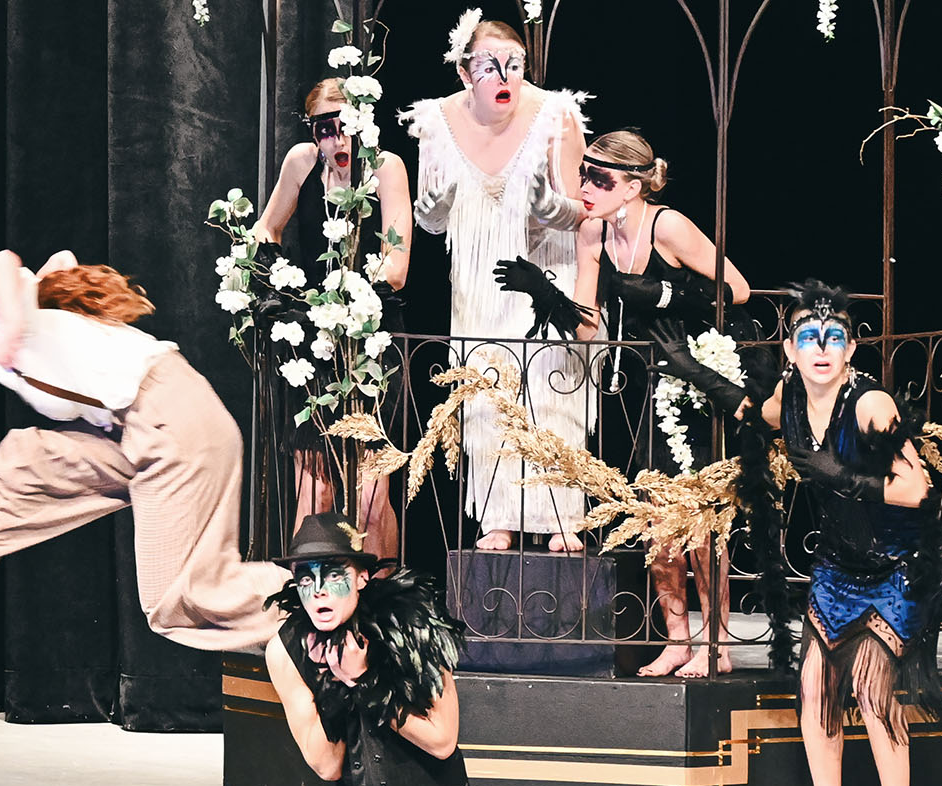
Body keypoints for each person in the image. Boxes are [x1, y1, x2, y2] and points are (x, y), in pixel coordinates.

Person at [0, 251, 289, 649]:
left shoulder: (9, 327)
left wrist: (11, 326)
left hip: (174, 422)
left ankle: (326, 596)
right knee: (16, 465)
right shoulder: (14, 357)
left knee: (184, 597)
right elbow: (61, 261)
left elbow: (4, 262)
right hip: (140, 430)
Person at [650, 281, 942, 786]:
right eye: (808, 337)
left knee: (870, 682)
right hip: (839, 564)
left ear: (850, 350)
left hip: (897, 564)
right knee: (814, 684)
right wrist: (690, 368)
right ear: (789, 349)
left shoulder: (869, 404)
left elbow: (919, 489)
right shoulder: (787, 399)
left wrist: (839, 475)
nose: (821, 347)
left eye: (834, 337)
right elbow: (746, 409)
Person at [399, 13, 600, 552]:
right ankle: (498, 516)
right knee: (487, 393)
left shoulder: (553, 114)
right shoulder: (437, 121)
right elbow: (430, 219)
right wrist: (432, 206)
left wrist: (545, 206)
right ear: (466, 72)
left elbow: (581, 211)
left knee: (549, 391)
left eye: (513, 65)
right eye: (490, 67)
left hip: (545, 275)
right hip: (480, 283)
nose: (505, 76)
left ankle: (561, 514)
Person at [570, 129, 753, 677]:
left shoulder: (665, 224)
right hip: (638, 384)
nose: (586, 187)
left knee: (697, 513)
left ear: (632, 186)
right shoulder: (592, 231)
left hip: (692, 378)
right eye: (584, 174)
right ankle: (676, 636)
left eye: (599, 179)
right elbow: (586, 324)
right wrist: (555, 299)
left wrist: (668, 294)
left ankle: (714, 636)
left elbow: (736, 289)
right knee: (656, 521)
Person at [259, 512, 469, 786]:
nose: (318, 590)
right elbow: (328, 765)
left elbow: (442, 741)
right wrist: (332, 684)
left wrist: (363, 681)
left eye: (333, 574)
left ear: (361, 577)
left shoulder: (413, 626)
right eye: (306, 578)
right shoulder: (286, 652)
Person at [250, 76, 415, 561]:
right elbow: (267, 225)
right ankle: (311, 603)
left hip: (373, 340)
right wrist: (265, 274)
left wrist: (352, 296)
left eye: (344, 127)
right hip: (315, 340)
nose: (335, 140)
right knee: (313, 492)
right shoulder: (301, 162)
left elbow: (398, 264)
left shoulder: (385, 167)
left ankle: (385, 607)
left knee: (369, 495)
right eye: (323, 129)